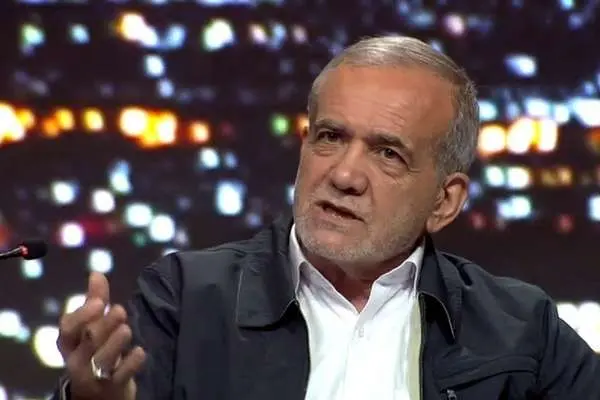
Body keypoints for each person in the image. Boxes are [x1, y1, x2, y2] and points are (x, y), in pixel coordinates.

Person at [52, 35, 600, 400]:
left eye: (388, 153)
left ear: (445, 201)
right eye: (330, 137)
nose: (344, 174)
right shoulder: (186, 299)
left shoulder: (520, 329)